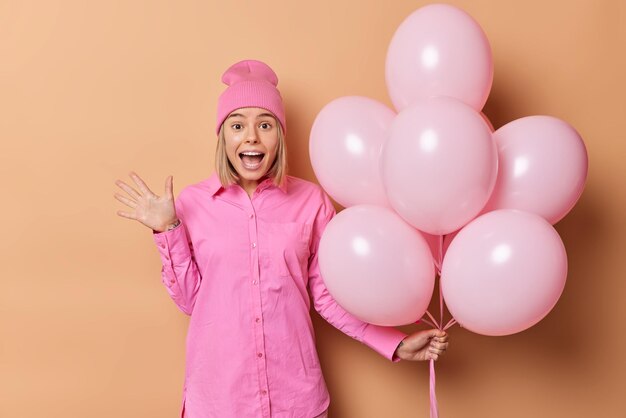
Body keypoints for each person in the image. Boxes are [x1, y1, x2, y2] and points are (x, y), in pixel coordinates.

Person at [114, 59, 449, 418]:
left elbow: (330, 297)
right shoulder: (191, 205)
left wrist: (394, 343)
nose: (251, 137)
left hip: (297, 402)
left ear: (280, 134)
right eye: (237, 125)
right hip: (218, 402)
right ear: (223, 136)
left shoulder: (311, 202)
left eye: (265, 124)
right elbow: (190, 300)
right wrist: (168, 230)